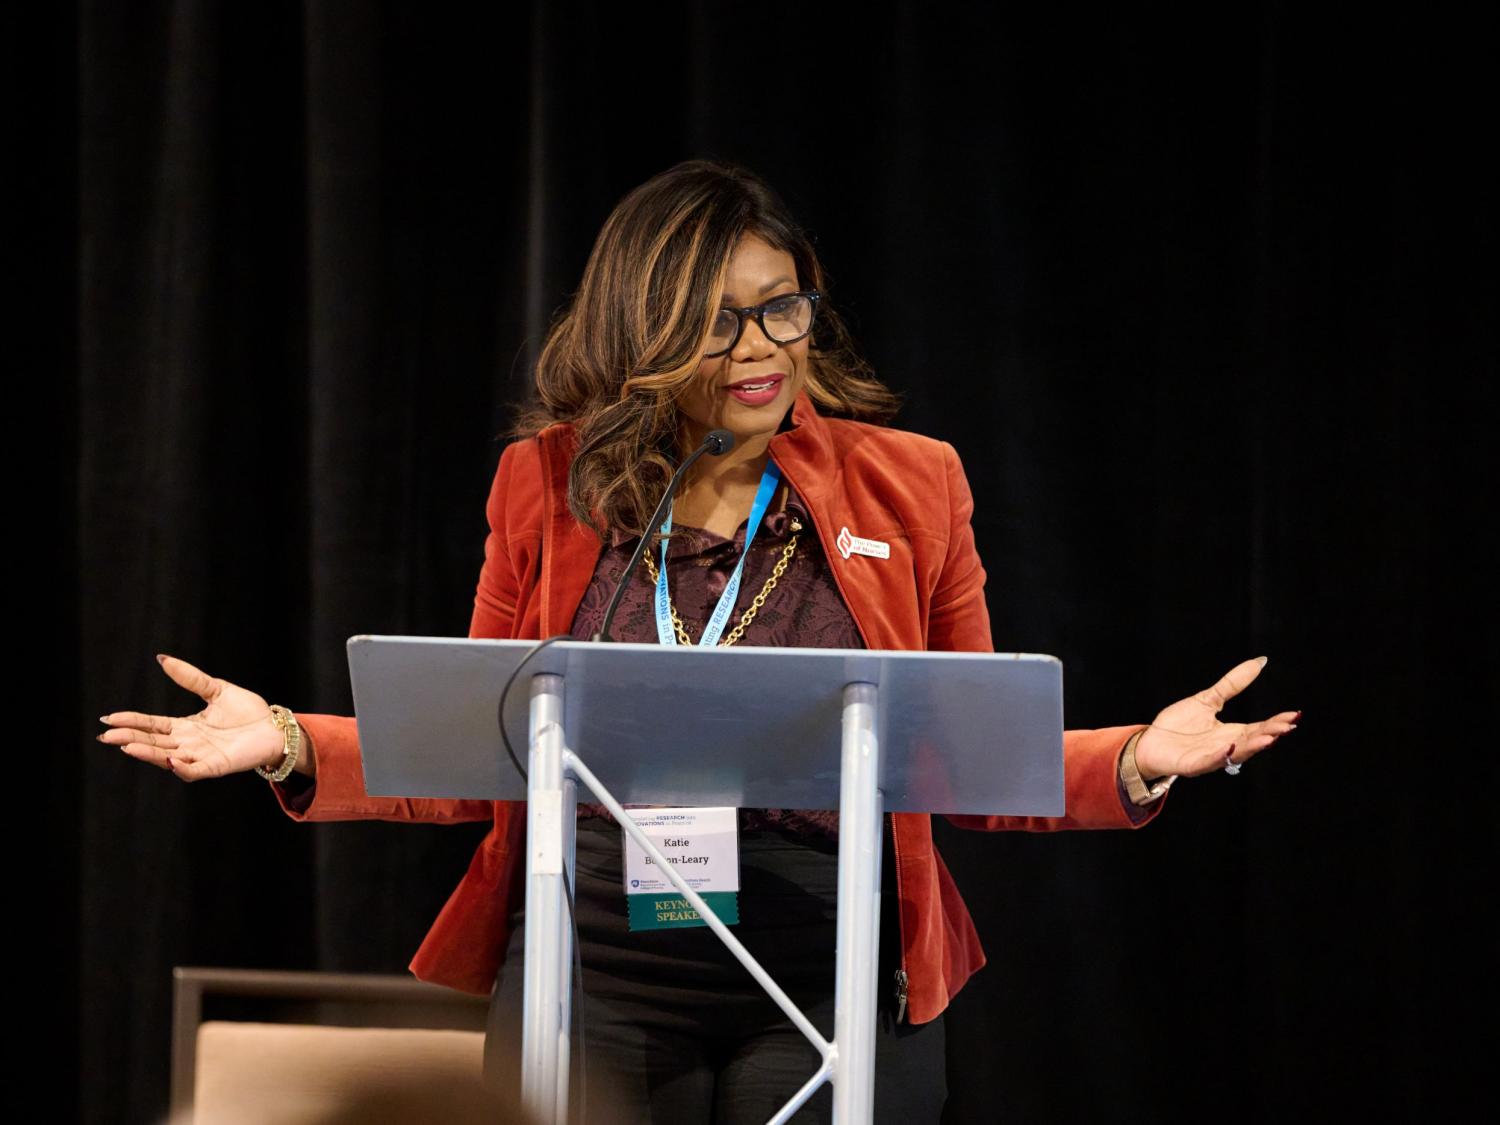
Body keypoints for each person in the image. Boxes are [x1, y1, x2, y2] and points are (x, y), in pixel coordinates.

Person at [99, 159, 1298, 1122]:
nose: (765, 347)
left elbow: (969, 756)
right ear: (648, 330)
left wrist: (1139, 755)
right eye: (721, 324)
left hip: (831, 951)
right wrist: (288, 745)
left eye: (783, 306)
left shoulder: (911, 485)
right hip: (596, 961)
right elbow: (480, 745)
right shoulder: (550, 482)